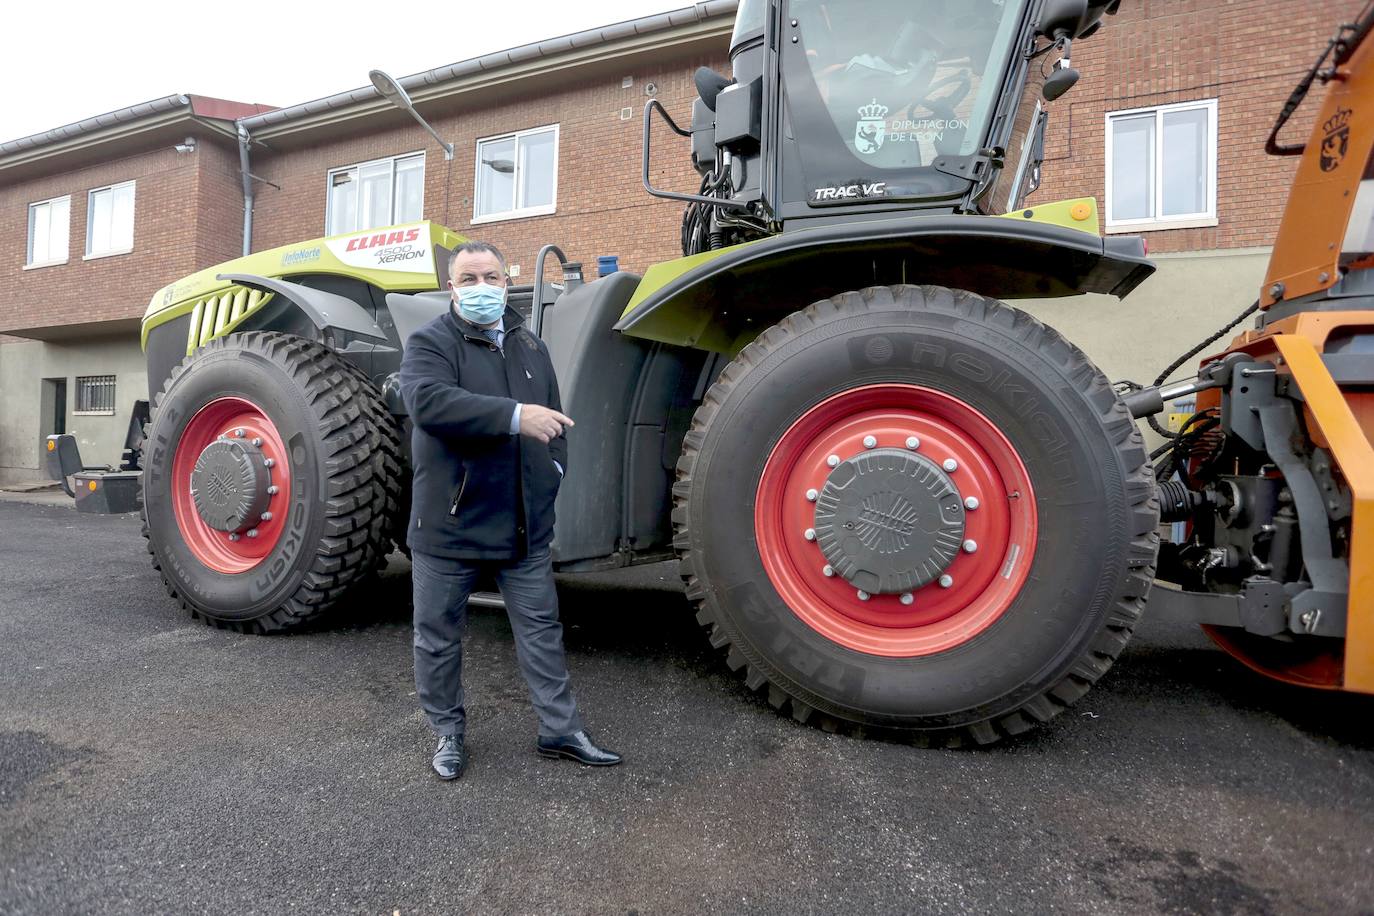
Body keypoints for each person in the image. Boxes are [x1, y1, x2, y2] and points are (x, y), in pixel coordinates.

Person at [399, 240, 622, 780]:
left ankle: (560, 730)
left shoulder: (530, 346)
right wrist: (514, 415)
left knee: (542, 630)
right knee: (437, 636)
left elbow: (557, 425)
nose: (481, 288)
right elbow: (427, 404)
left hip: (522, 524)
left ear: (507, 281)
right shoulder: (430, 343)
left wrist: (553, 478)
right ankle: (447, 732)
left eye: (491, 277)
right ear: (452, 287)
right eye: (469, 279)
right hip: (449, 525)